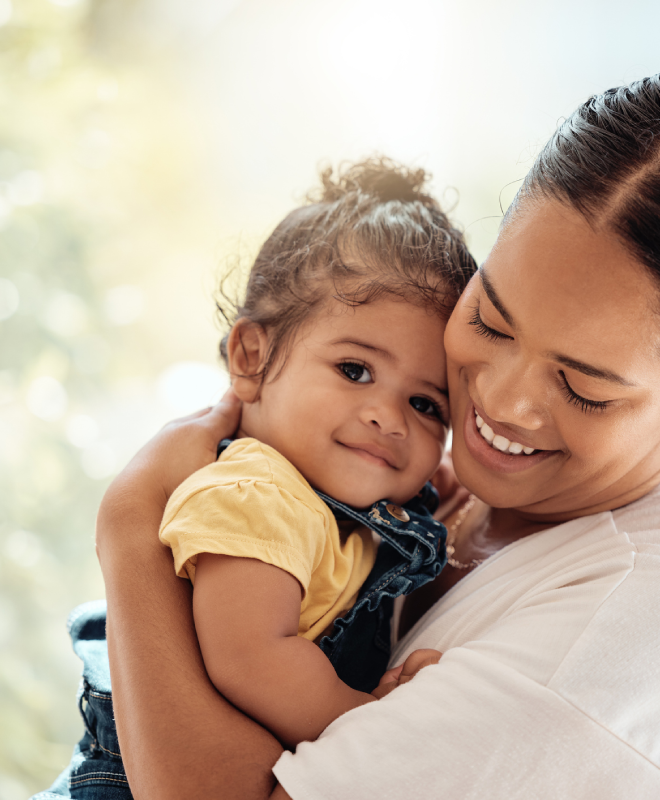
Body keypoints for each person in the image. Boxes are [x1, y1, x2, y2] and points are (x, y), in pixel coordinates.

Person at [86, 68, 660, 800]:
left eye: (581, 387)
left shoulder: (659, 632)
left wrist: (132, 532)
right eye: (489, 319)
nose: (500, 402)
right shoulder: (448, 501)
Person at [39, 159, 478, 799]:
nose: (387, 417)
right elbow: (254, 658)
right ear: (252, 356)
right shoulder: (257, 497)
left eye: (425, 404)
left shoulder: (335, 496)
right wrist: (369, 723)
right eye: (355, 370)